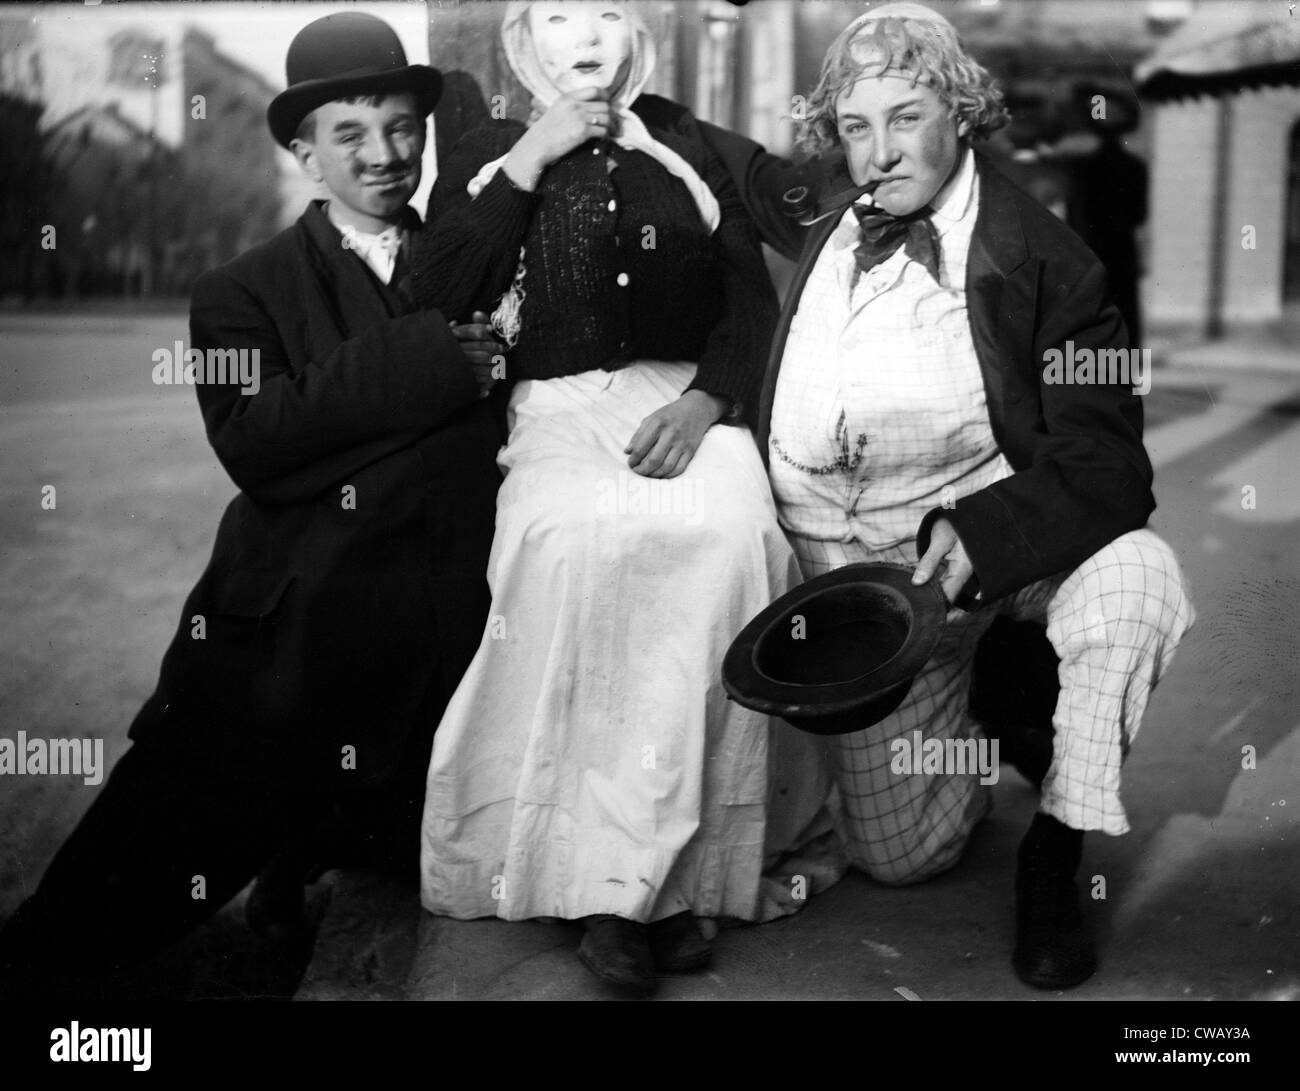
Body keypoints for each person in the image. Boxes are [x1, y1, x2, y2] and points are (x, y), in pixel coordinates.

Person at [660, 2, 1194, 990]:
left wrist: (983, 535)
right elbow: (732, 158)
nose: (879, 152)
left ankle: (1056, 844)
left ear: (957, 108)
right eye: (856, 127)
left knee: (1137, 581)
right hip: (852, 606)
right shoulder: (824, 202)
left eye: (904, 117)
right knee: (903, 859)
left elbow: (1111, 461)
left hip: (980, 570)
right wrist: (620, 99)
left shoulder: (1053, 261)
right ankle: (995, 707)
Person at [0, 12, 503, 994]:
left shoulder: (467, 260)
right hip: (287, 633)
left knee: (415, 837)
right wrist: (439, 362)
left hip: (442, 631)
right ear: (303, 153)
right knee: (110, 894)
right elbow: (256, 443)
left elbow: (326, 431)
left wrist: (337, 416)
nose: (385, 155)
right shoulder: (239, 291)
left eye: (401, 128)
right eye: (349, 134)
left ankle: (302, 860)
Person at [411, 1, 840, 996]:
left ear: (636, 31)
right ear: (527, 38)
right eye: (559, 14)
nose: (588, 37)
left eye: (608, 10)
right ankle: (603, 886)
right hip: (557, 404)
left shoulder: (684, 139)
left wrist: (706, 399)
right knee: (570, 542)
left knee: (732, 535)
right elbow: (435, 288)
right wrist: (532, 157)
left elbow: (746, 289)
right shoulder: (488, 143)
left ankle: (689, 875)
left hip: (680, 394)